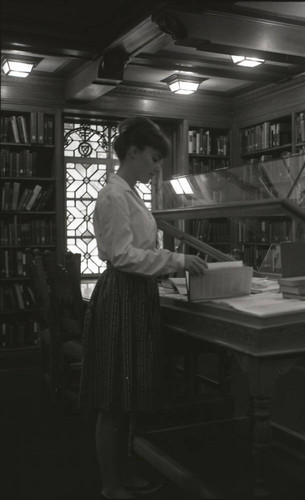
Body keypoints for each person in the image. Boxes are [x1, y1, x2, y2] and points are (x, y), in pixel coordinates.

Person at [79, 116, 208, 499]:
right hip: (122, 295)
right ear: (132, 152)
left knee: (126, 396)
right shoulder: (114, 195)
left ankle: (123, 475)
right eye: (153, 158)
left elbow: (139, 250)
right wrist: (175, 262)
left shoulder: (129, 192)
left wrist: (166, 263)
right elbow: (122, 256)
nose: (156, 168)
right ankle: (110, 485)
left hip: (134, 295)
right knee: (113, 399)